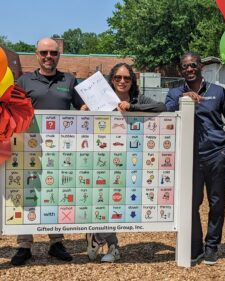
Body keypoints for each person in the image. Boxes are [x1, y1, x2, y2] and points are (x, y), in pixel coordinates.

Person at [81, 62, 166, 262]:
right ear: (111, 80)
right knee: (103, 201)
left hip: (131, 158)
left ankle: (99, 237)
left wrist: (132, 107)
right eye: (118, 78)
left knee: (120, 201)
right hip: (104, 158)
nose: (122, 81)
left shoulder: (138, 98)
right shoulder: (101, 100)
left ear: (132, 81)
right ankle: (111, 244)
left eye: (127, 78)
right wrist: (84, 110)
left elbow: (162, 107)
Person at [11, 37, 84, 266]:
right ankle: (25, 244)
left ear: (59, 55)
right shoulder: (23, 81)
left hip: (61, 151)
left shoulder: (69, 80)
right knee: (27, 194)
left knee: (56, 192)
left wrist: (86, 109)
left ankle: (56, 242)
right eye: (44, 53)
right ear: (37, 54)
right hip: (29, 149)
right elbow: (12, 109)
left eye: (53, 53)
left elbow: (82, 105)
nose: (48, 57)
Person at [165, 52, 225, 265]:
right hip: (189, 157)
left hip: (216, 155)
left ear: (200, 66)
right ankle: (196, 246)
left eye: (192, 65)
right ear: (180, 70)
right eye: (185, 66)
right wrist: (184, 100)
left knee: (217, 203)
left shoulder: (218, 91)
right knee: (191, 203)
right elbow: (168, 114)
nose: (189, 69)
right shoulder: (174, 93)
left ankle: (212, 246)